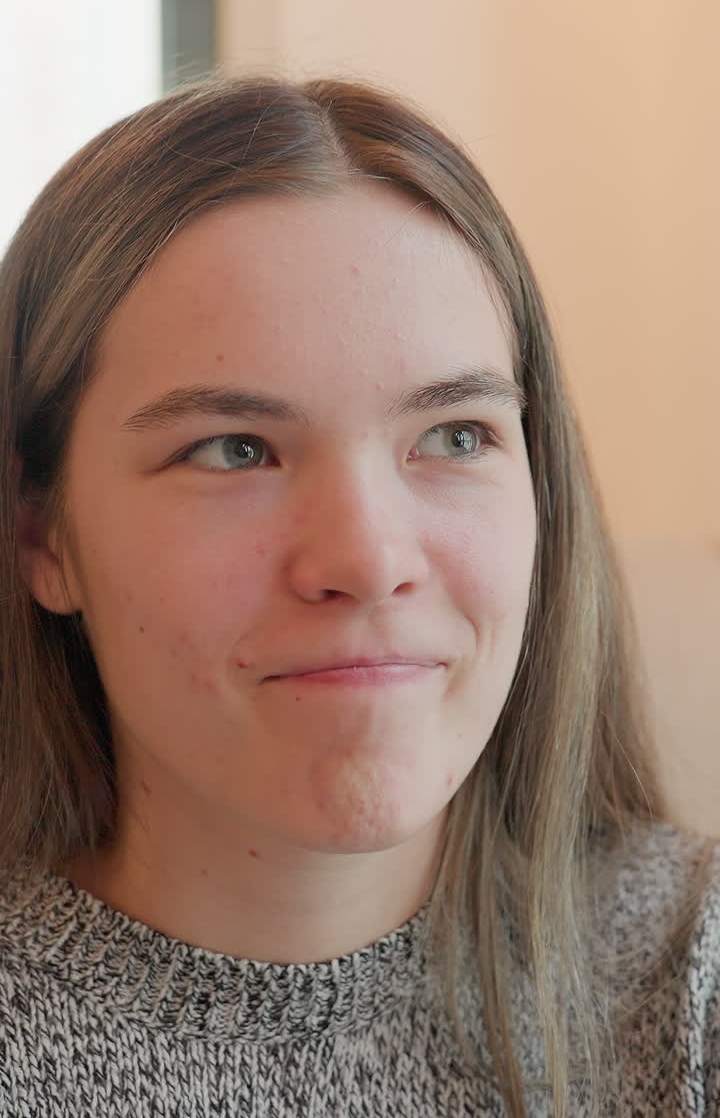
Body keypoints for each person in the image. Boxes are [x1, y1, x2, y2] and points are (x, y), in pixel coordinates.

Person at [0, 74, 717, 1118]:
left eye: (455, 434)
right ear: (41, 532)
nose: (369, 558)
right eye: (233, 449)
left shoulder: (690, 974)